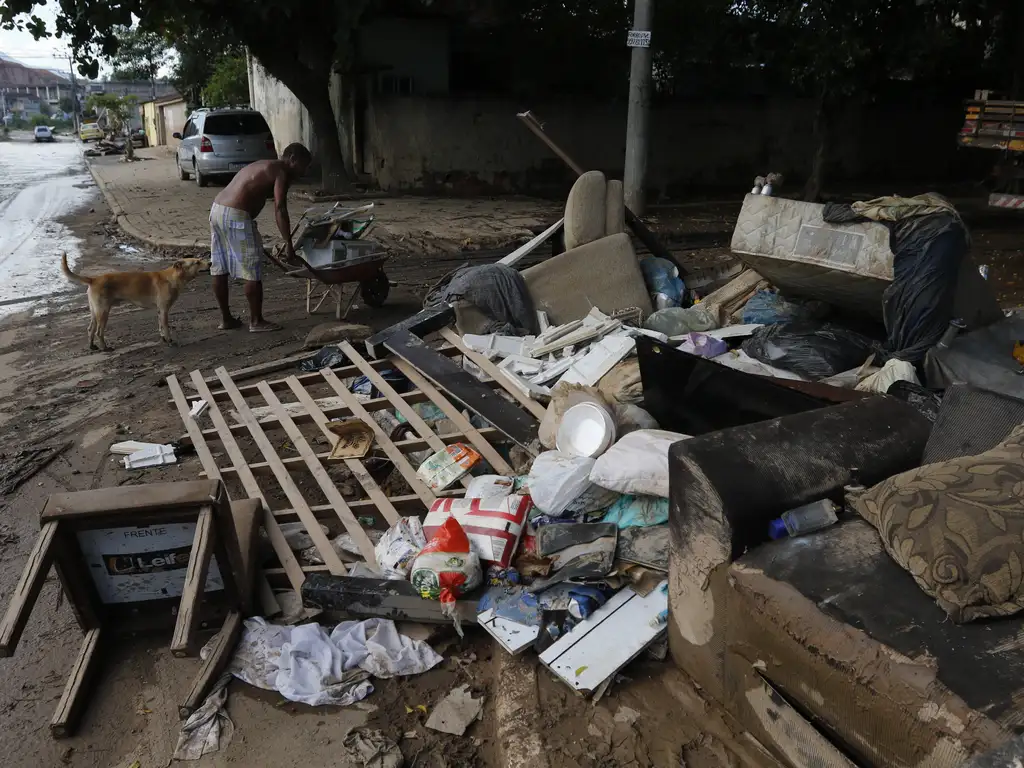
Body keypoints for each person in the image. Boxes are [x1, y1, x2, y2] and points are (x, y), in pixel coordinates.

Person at [209, 142, 312, 331]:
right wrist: (289, 245)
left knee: (219, 266)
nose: (304, 172)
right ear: (292, 159)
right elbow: (280, 208)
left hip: (217, 209)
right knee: (252, 268)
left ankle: (226, 320)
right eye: (303, 166)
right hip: (236, 216)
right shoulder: (281, 171)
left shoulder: (265, 165)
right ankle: (256, 321)